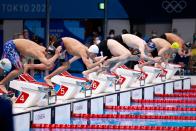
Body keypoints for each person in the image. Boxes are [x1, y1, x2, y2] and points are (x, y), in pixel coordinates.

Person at [24, 37, 107, 86]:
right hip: (60, 44)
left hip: (64, 48)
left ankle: (47, 77)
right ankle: (29, 66)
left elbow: (95, 60)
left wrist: (103, 59)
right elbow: (89, 66)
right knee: (49, 65)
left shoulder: (88, 51)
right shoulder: (83, 51)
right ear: (92, 53)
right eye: (95, 55)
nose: (95, 57)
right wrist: (100, 61)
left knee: (66, 66)